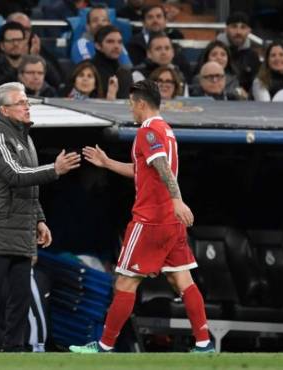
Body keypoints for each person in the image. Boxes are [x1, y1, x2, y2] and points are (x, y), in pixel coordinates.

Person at [69, 79, 215, 354]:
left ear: (140, 103)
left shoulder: (148, 132)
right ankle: (204, 343)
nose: (130, 109)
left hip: (150, 220)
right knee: (182, 280)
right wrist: (108, 163)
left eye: (131, 104)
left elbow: (161, 166)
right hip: (170, 222)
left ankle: (105, 346)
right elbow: (143, 170)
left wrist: (176, 199)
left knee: (125, 282)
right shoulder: (166, 130)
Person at [0, 82, 81, 351]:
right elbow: (15, 175)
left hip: (20, 228)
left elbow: (29, 184)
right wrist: (54, 169)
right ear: (4, 109)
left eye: (27, 102)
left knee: (20, 294)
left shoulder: (25, 139)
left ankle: (14, 348)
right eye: (21, 103)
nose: (27, 106)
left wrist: (39, 220)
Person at [216, 11, 260, 92]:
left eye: (243, 27)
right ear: (226, 29)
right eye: (234, 26)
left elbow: (257, 85)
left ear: (249, 31)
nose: (238, 32)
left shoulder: (252, 56)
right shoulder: (212, 51)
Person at [90, 25, 132, 100]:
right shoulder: (87, 70)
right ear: (98, 45)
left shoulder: (125, 74)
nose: (116, 46)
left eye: (119, 42)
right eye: (110, 41)